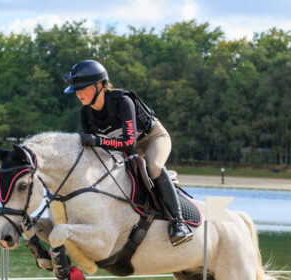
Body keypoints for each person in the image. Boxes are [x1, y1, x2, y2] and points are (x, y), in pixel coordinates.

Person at [62, 60, 193, 246]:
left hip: (152, 139)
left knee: (153, 166)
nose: (78, 94)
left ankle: (179, 223)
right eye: (76, 90)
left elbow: (129, 145)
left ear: (100, 86)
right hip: (122, 148)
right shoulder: (86, 113)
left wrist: (98, 140)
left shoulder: (123, 101)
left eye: (83, 88)